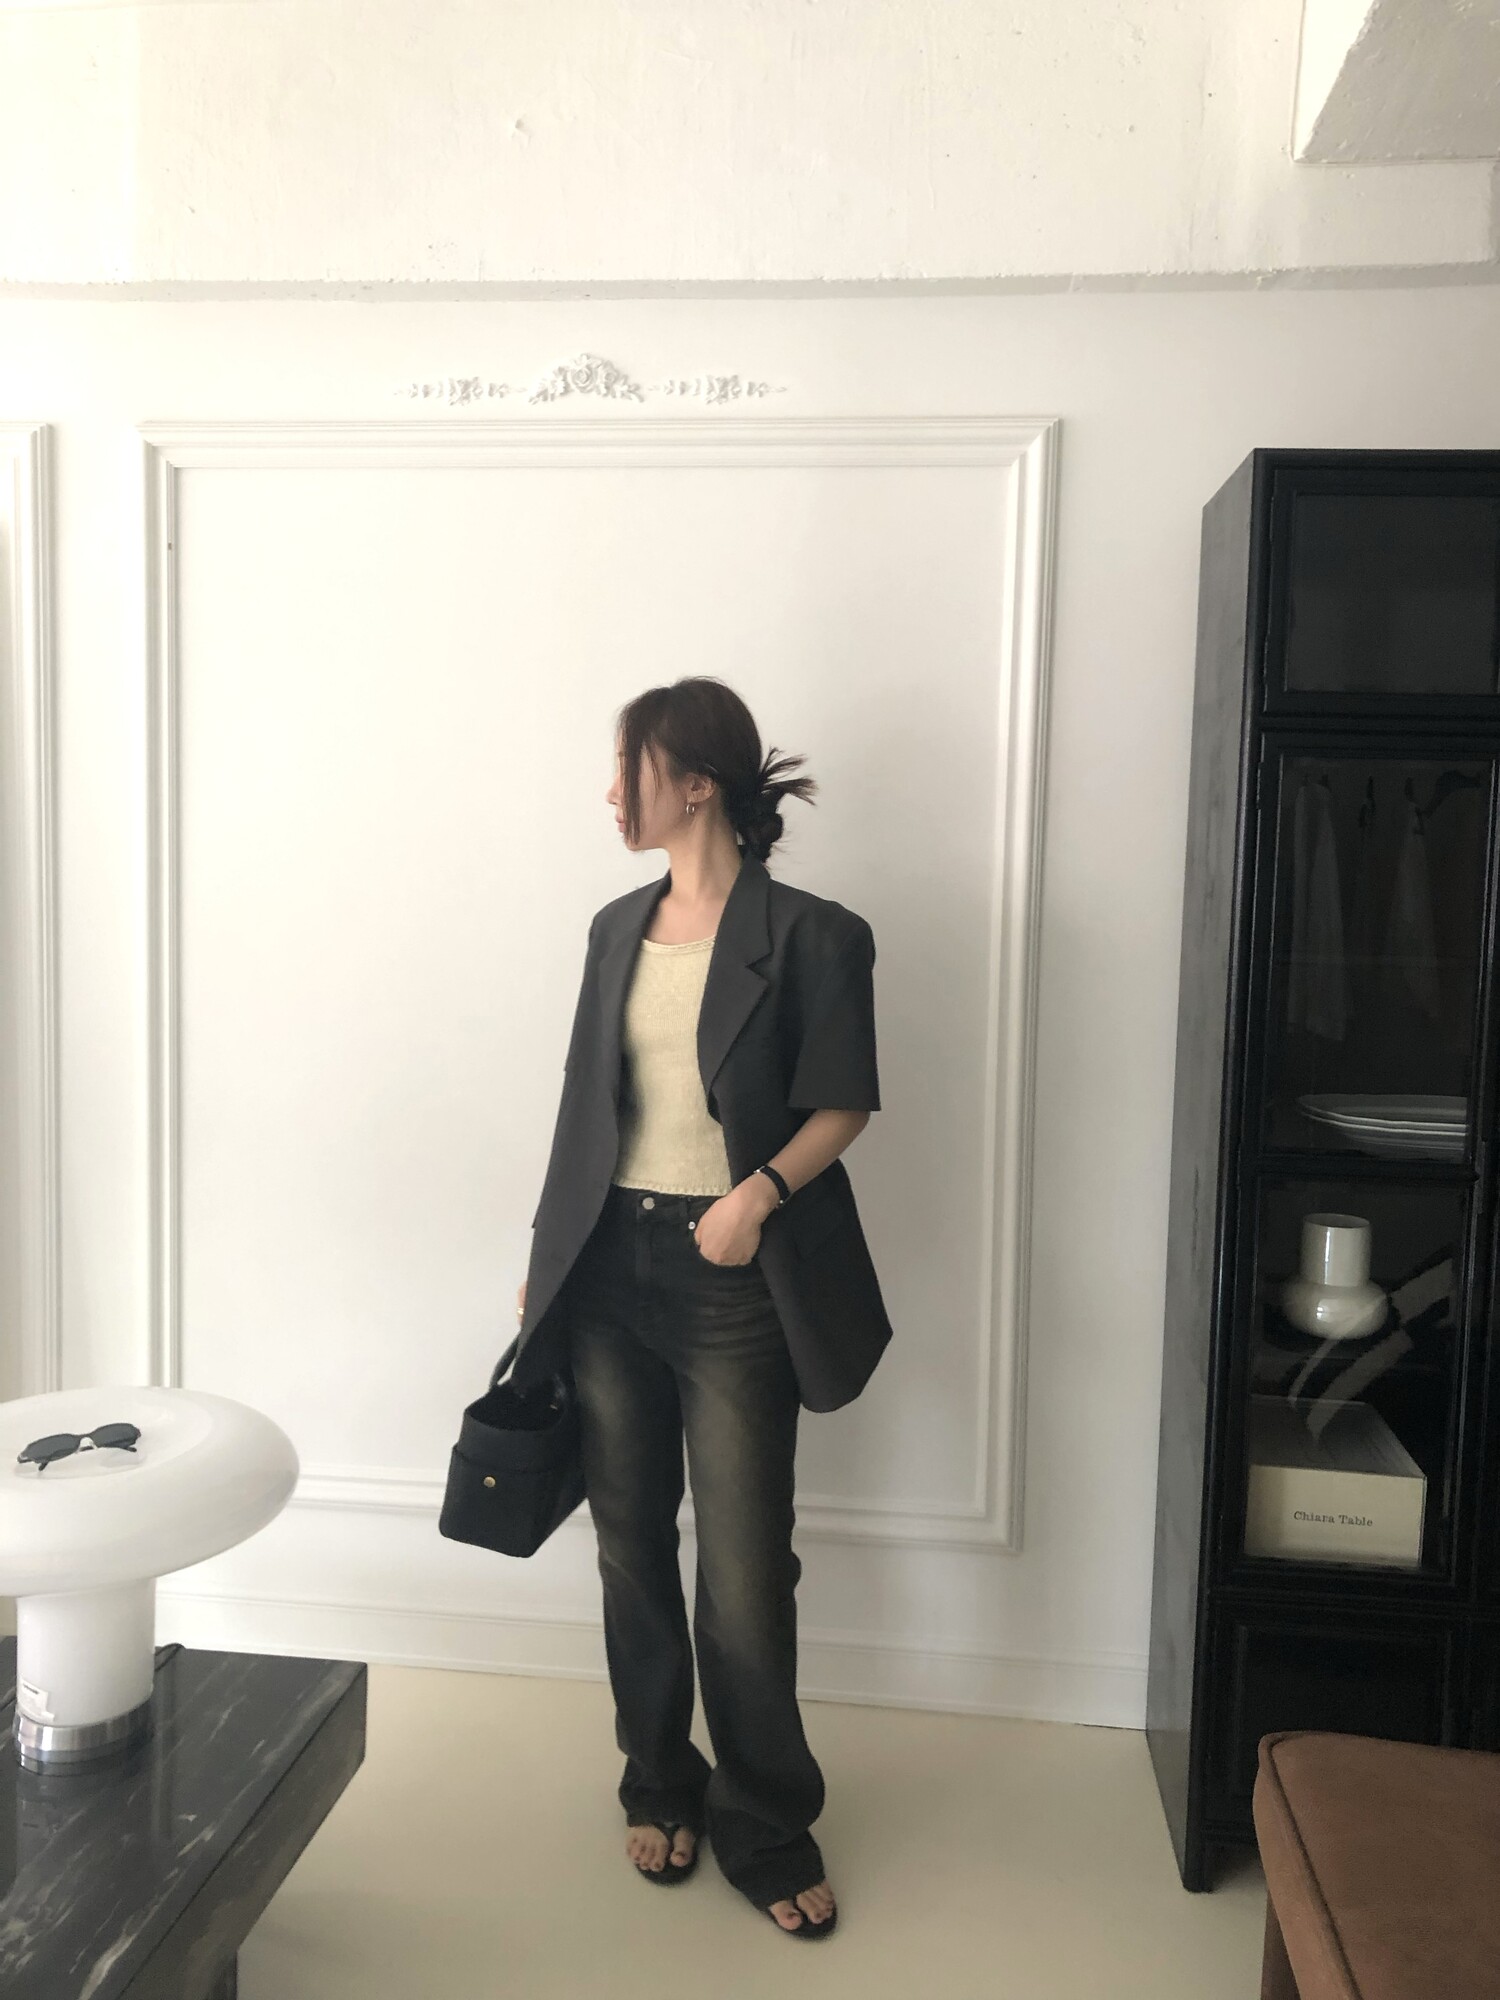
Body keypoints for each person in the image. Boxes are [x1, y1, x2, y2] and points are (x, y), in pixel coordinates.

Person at [516, 676, 887, 1942]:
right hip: (607, 1267)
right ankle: (658, 1779)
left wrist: (758, 1195)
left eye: (628, 767)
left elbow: (844, 1101)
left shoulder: (819, 935)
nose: (610, 792)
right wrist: (547, 1256)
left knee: (743, 1567)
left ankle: (765, 1819)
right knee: (629, 1542)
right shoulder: (614, 927)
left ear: (695, 783)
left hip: (735, 1274)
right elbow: (583, 1105)